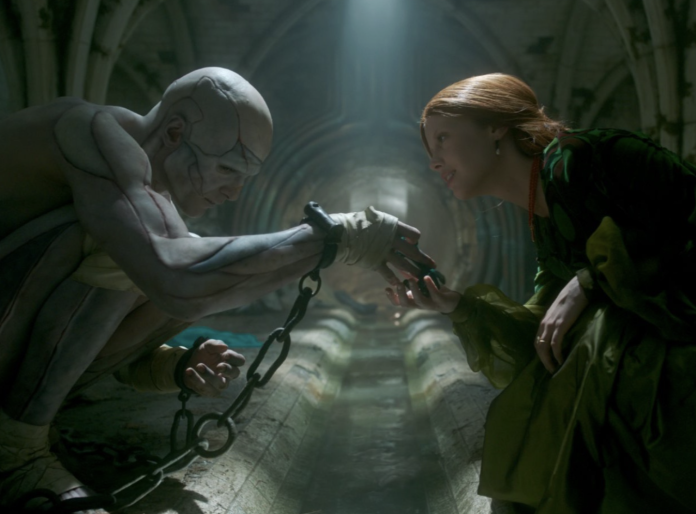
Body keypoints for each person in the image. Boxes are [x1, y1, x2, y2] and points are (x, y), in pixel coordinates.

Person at [0, 66, 433, 508]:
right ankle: (14, 450)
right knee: (152, 255)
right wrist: (335, 235)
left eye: (245, 179)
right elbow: (174, 276)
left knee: (188, 262)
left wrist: (171, 366)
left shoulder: (145, 198)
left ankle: (20, 435)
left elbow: (84, 330)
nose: (234, 193)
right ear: (174, 131)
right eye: (227, 169)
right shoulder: (88, 131)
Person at [386, 72, 696, 513]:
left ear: (496, 127)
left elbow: (679, 230)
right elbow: (541, 336)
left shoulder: (591, 157)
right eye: (430, 148)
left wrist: (589, 282)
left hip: (680, 358)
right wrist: (456, 305)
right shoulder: (545, 224)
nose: (434, 161)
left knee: (598, 344)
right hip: (651, 376)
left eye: (443, 138)